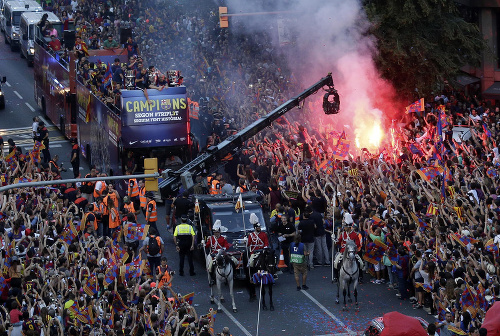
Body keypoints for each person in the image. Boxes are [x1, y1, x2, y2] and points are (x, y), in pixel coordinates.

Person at [333, 213, 362, 282]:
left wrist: (354, 249)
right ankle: (336, 276)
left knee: (360, 263)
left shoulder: (354, 234)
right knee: (336, 262)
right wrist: (334, 240)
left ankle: (360, 276)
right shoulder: (343, 233)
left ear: (348, 227)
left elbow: (357, 244)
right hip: (343, 251)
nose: (344, 228)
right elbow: (339, 241)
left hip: (352, 251)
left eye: (345, 226)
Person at [203, 220, 230, 285]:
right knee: (210, 267)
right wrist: (203, 244)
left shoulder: (223, 238)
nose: (216, 234)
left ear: (219, 232)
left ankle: (227, 277)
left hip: (221, 254)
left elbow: (226, 246)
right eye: (215, 232)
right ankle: (213, 279)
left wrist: (223, 249)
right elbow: (207, 245)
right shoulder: (211, 238)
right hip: (214, 255)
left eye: (217, 232)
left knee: (228, 263)